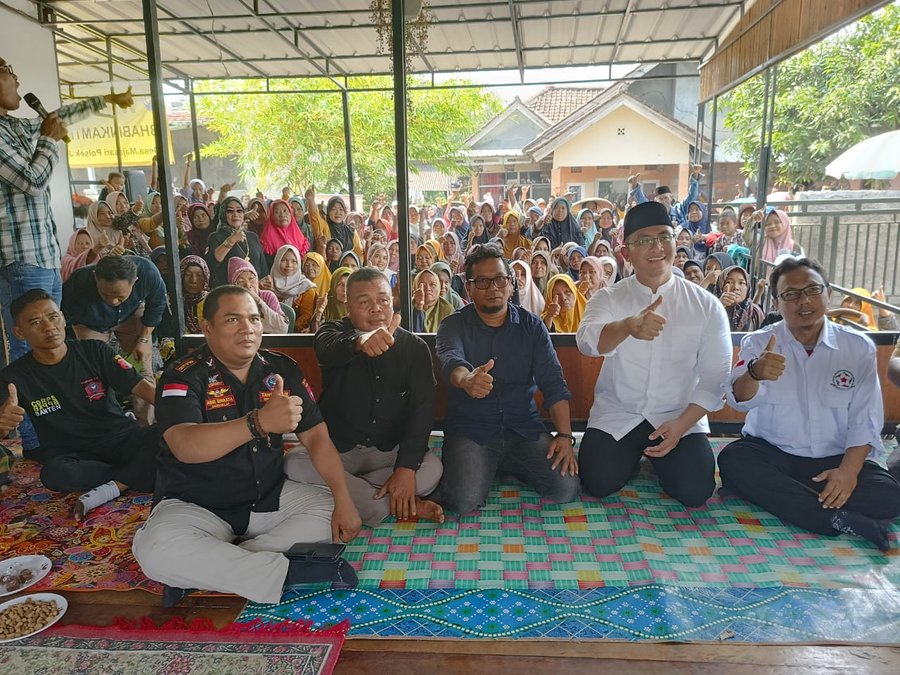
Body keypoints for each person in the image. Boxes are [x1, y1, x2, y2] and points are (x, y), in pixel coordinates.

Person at [132, 285, 362, 605]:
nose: (248, 328)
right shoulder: (181, 376)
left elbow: (317, 437)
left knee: (330, 511)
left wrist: (343, 498)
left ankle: (214, 567)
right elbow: (184, 444)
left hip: (264, 498)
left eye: (254, 318)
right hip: (197, 504)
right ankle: (287, 572)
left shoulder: (281, 369)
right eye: (232, 319)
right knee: (154, 551)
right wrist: (258, 423)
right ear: (207, 328)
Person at [718, 258, 900, 550]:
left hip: (834, 457)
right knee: (733, 462)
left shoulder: (857, 347)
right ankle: (835, 519)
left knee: (889, 495)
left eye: (812, 290)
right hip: (773, 453)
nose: (803, 300)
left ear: (828, 293)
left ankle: (797, 499)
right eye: (790, 294)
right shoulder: (760, 342)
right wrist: (755, 372)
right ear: (777, 303)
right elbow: (738, 400)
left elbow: (865, 419)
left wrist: (848, 473)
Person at [0, 61, 132, 455]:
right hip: (20, 261)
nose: (18, 79)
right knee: (27, 352)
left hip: (43, 258)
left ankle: (59, 432)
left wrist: (105, 99)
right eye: (9, 73)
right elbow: (31, 179)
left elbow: (55, 118)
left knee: (53, 347)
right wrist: (49, 141)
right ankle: (36, 442)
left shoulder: (14, 126)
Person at [575, 201, 732, 507]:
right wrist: (627, 326)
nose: (656, 246)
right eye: (644, 240)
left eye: (664, 236)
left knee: (695, 491)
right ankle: (632, 458)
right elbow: (587, 342)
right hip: (620, 413)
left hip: (678, 415)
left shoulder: (705, 304)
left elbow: (717, 375)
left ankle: (657, 458)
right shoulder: (609, 297)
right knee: (598, 482)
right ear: (626, 252)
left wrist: (684, 424)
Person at [285, 267, 444, 525]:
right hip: (337, 452)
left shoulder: (414, 348)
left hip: (388, 452)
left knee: (432, 469)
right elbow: (327, 349)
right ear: (348, 307)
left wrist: (404, 468)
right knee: (294, 463)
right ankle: (394, 505)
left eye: (383, 300)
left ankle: (353, 496)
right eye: (364, 302)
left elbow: (422, 410)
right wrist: (360, 342)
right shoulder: (332, 334)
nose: (376, 308)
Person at [434, 244, 579, 515]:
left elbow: (554, 383)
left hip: (522, 428)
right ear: (470, 288)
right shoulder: (452, 325)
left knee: (565, 489)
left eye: (500, 280)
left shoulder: (532, 327)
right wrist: (467, 380)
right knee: (462, 503)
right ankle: (491, 465)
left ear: (511, 284)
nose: (493, 288)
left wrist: (565, 436)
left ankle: (504, 464)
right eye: (483, 282)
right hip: (472, 430)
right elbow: (451, 361)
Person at [0, 290, 157, 520]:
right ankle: (139, 472)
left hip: (121, 438)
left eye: (53, 317)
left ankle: (118, 484)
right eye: (36, 322)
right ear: (19, 333)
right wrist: (3, 424)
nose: (48, 327)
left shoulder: (94, 351)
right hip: (72, 455)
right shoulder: (14, 377)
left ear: (63, 318)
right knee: (54, 475)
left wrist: (181, 414)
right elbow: (2, 427)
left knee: (168, 435)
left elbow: (141, 388)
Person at [61, 255, 167, 380]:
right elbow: (63, 316)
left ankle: (145, 397)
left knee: (143, 367)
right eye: (105, 294)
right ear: (95, 277)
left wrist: (143, 340)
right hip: (90, 322)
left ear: (135, 281)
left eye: (120, 296)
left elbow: (156, 307)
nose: (113, 301)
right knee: (96, 371)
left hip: (130, 314)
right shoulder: (79, 280)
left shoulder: (148, 272)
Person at [205, 197, 269, 288]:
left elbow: (263, 267)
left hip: (254, 292)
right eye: (230, 211)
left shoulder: (252, 236)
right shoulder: (216, 237)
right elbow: (211, 263)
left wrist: (265, 281)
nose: (235, 214)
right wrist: (231, 240)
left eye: (239, 211)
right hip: (229, 293)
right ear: (223, 214)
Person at [228, 257, 288, 334]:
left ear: (257, 280)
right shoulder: (229, 301)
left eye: (251, 279)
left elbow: (282, 328)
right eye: (240, 282)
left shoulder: (267, 296)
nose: (248, 285)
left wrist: (258, 300)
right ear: (233, 287)